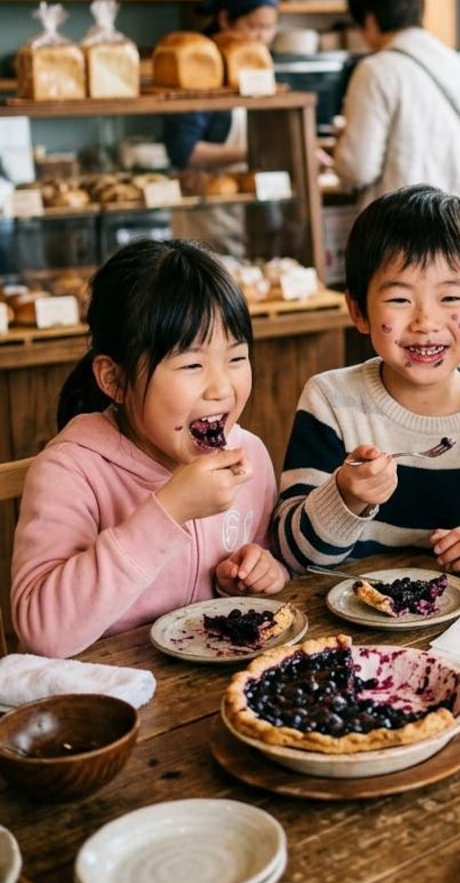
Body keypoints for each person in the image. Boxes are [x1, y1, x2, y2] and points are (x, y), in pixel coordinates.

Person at [11, 239, 288, 658]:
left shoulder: (249, 456)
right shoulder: (70, 471)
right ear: (114, 379)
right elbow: (43, 633)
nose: (221, 388)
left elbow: (263, 567)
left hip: (206, 686)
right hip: (106, 691)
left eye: (236, 358)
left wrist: (259, 573)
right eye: (192, 365)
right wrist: (169, 510)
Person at [274, 184, 460, 580]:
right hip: (345, 614)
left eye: (450, 299)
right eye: (399, 299)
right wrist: (345, 495)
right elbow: (293, 555)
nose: (425, 322)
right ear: (358, 311)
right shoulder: (331, 402)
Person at [332, 0, 460, 248]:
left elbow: (358, 167)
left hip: (412, 235)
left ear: (370, 19)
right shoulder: (450, 59)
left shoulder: (375, 69)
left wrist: (341, 148)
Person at [162, 0, 279, 257]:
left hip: (254, 215)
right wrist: (255, 152)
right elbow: (183, 150)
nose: (262, 37)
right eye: (254, 26)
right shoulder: (201, 70)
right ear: (225, 20)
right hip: (208, 222)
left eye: (270, 27)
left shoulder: (258, 67)